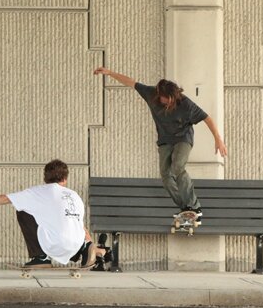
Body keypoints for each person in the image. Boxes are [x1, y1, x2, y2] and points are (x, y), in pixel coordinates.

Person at [93, 67, 227, 218]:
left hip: (183, 138)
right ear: (159, 95)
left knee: (177, 166)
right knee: (165, 176)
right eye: (166, 100)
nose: (169, 103)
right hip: (165, 141)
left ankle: (195, 206)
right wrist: (110, 73)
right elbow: (131, 82)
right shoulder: (150, 94)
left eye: (172, 100)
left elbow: (206, 118)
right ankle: (185, 207)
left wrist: (218, 138)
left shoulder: (185, 104)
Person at [0, 159, 105, 268]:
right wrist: (90, 243)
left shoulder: (39, 192)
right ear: (65, 179)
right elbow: (80, 225)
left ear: (45, 177)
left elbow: (5, 198)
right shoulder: (74, 196)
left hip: (58, 243)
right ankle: (87, 249)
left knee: (23, 210)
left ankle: (40, 258)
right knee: (66, 224)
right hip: (76, 243)